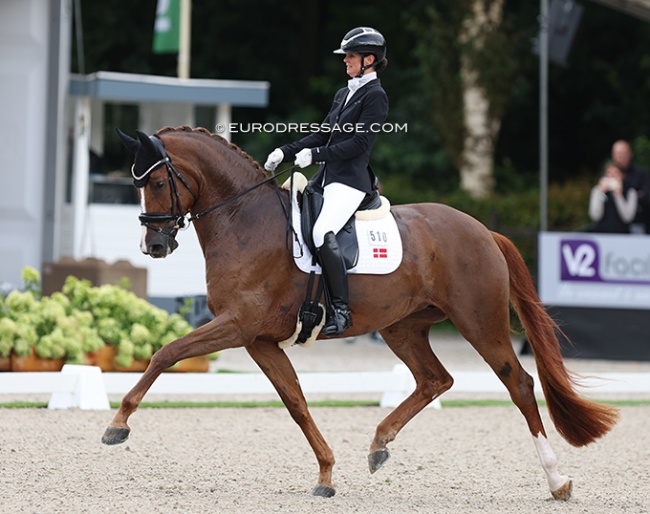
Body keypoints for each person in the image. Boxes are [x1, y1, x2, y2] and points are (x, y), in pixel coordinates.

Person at [264, 27, 389, 337]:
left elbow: (360, 144)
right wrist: (286, 150)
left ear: (369, 59)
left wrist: (317, 155)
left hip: (350, 181)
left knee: (322, 231)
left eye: (350, 56)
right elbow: (323, 133)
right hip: (325, 178)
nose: (345, 61)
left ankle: (341, 310)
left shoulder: (376, 96)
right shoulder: (344, 93)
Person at [587, 161, 638, 234]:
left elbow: (627, 218)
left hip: (622, 234)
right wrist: (601, 193)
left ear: (622, 175)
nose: (612, 176)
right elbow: (595, 216)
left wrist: (618, 196)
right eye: (609, 173)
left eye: (616, 173)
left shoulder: (631, 192)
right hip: (602, 233)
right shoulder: (597, 190)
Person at [611, 139, 650, 233]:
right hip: (611, 225)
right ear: (613, 155)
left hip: (637, 223)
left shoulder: (640, 174)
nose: (621, 157)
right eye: (618, 153)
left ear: (630, 154)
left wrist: (627, 194)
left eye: (624, 153)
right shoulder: (608, 174)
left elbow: (646, 196)